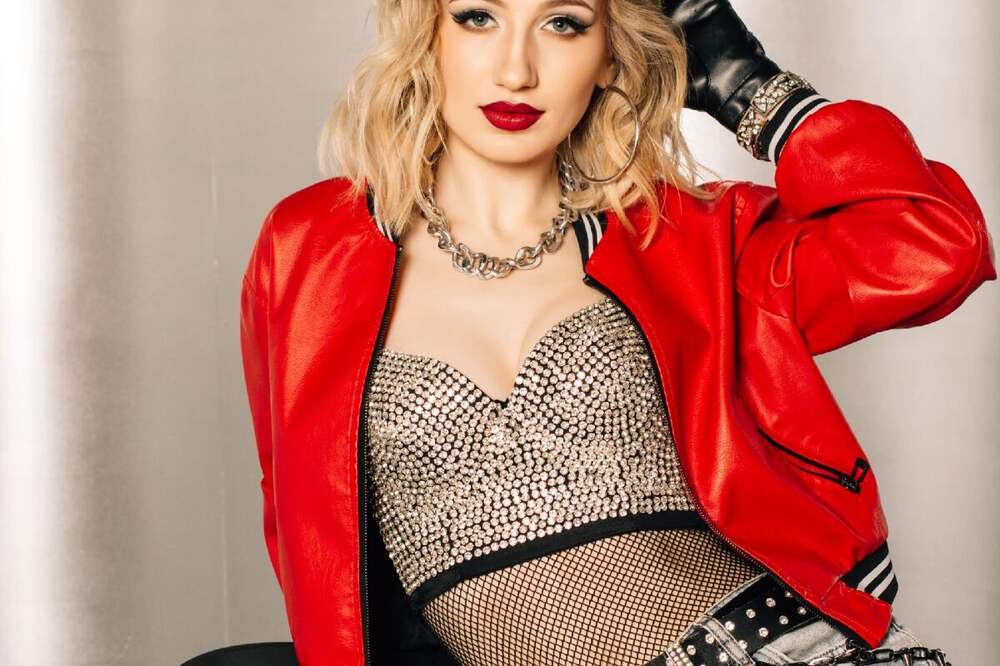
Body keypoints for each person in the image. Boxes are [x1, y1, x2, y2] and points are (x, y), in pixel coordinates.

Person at [238, 1, 997, 664]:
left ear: (608, 57)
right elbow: (304, 520)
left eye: (564, 25)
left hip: (778, 646)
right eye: (477, 17)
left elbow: (936, 247)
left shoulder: (686, 242)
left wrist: (749, 87)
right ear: (427, 33)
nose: (516, 70)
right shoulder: (309, 250)